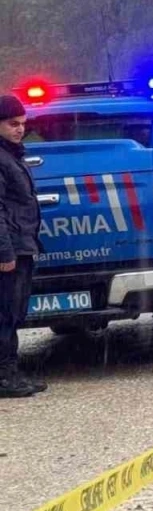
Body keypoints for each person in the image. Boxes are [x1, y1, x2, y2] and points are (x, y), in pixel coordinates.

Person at [0, 94, 44, 398]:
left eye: (23, 124)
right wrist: (5, 252)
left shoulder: (12, 155)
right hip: (10, 249)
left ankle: (11, 372)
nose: (19, 129)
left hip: (21, 245)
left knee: (14, 313)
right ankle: (5, 377)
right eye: (12, 124)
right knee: (4, 314)